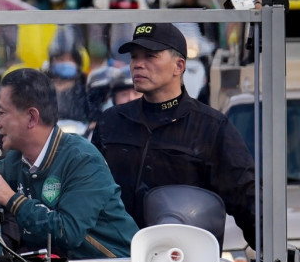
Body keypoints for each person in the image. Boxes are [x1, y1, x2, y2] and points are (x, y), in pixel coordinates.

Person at [0, 68, 138, 261]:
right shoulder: (15, 160)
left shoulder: (82, 159)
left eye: (1, 113)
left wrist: (12, 200)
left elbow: (68, 232)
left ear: (31, 117)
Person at [91, 22, 256, 241]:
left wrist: (273, 257)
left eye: (150, 56)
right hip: (117, 260)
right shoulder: (111, 121)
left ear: (179, 66)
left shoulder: (211, 127)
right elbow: (87, 192)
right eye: (134, 57)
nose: (137, 65)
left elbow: (248, 200)